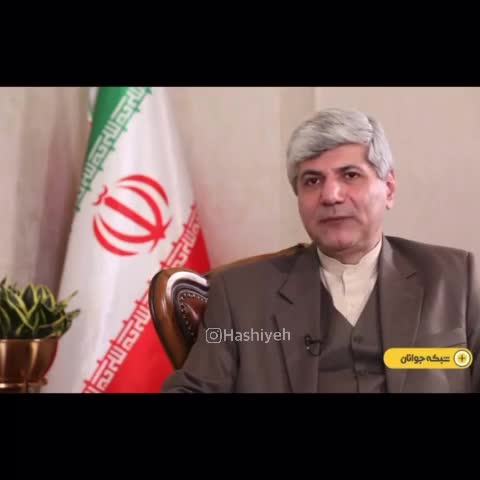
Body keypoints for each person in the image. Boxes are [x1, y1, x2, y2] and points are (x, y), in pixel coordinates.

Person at [161, 107, 480, 393]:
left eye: (350, 175)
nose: (331, 195)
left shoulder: (453, 277)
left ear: (389, 189)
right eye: (312, 181)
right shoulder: (240, 295)